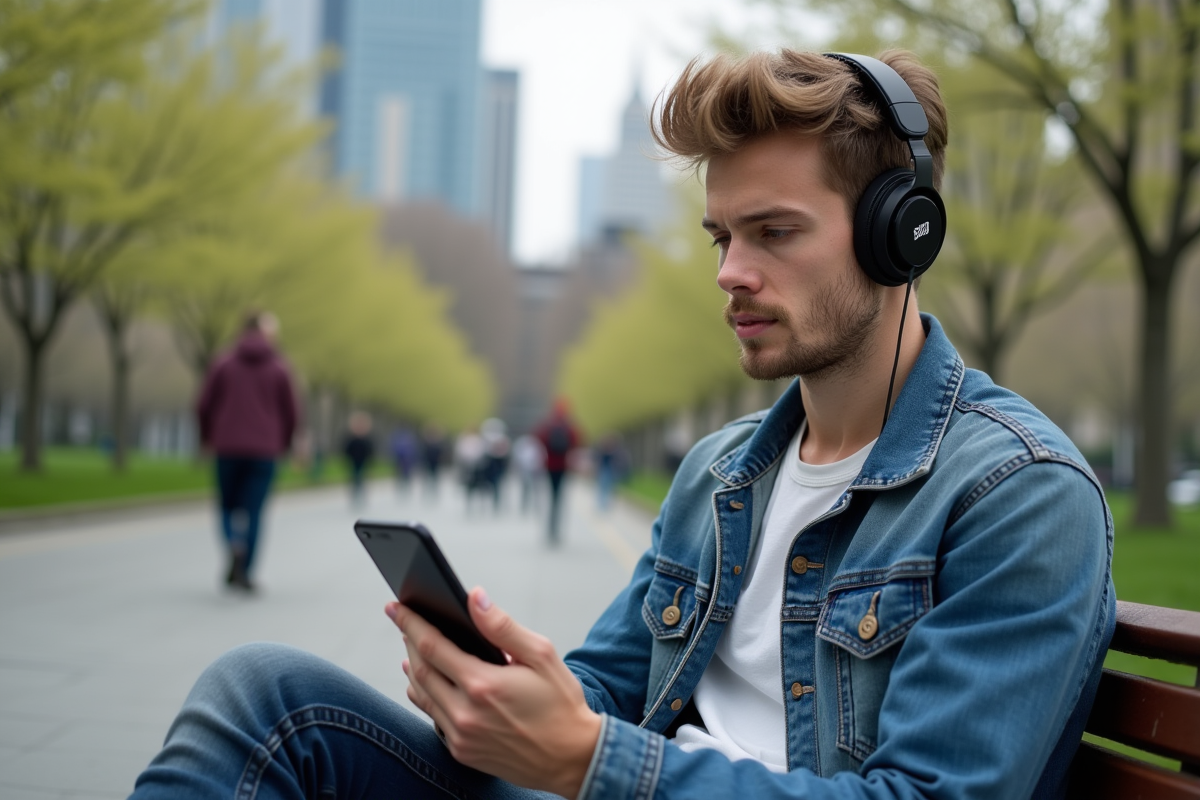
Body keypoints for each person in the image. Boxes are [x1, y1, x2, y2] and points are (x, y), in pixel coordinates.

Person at [131, 50, 1114, 799]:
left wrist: (600, 761)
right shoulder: (722, 470)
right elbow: (605, 683)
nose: (729, 271)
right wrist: (512, 690)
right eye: (721, 236)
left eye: (772, 232)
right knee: (264, 695)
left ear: (901, 234)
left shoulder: (1018, 494)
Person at [195, 311, 300, 593]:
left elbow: (203, 405)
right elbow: (291, 412)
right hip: (265, 450)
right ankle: (247, 570)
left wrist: (206, 437)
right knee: (254, 511)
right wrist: (287, 443)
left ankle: (233, 544)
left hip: (227, 447)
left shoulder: (223, 363)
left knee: (227, 506)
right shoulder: (280, 367)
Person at [534, 399, 581, 545]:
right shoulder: (568, 426)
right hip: (563, 465)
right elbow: (577, 440)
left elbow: (538, 437)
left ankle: (549, 528)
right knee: (559, 498)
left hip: (549, 465)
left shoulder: (548, 425)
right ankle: (556, 529)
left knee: (551, 497)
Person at [342, 411, 375, 508]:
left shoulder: (366, 439)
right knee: (354, 479)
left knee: (361, 479)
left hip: (363, 462)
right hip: (353, 462)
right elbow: (346, 450)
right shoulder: (351, 439)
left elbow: (370, 451)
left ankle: (361, 497)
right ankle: (354, 497)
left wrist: (370, 461)